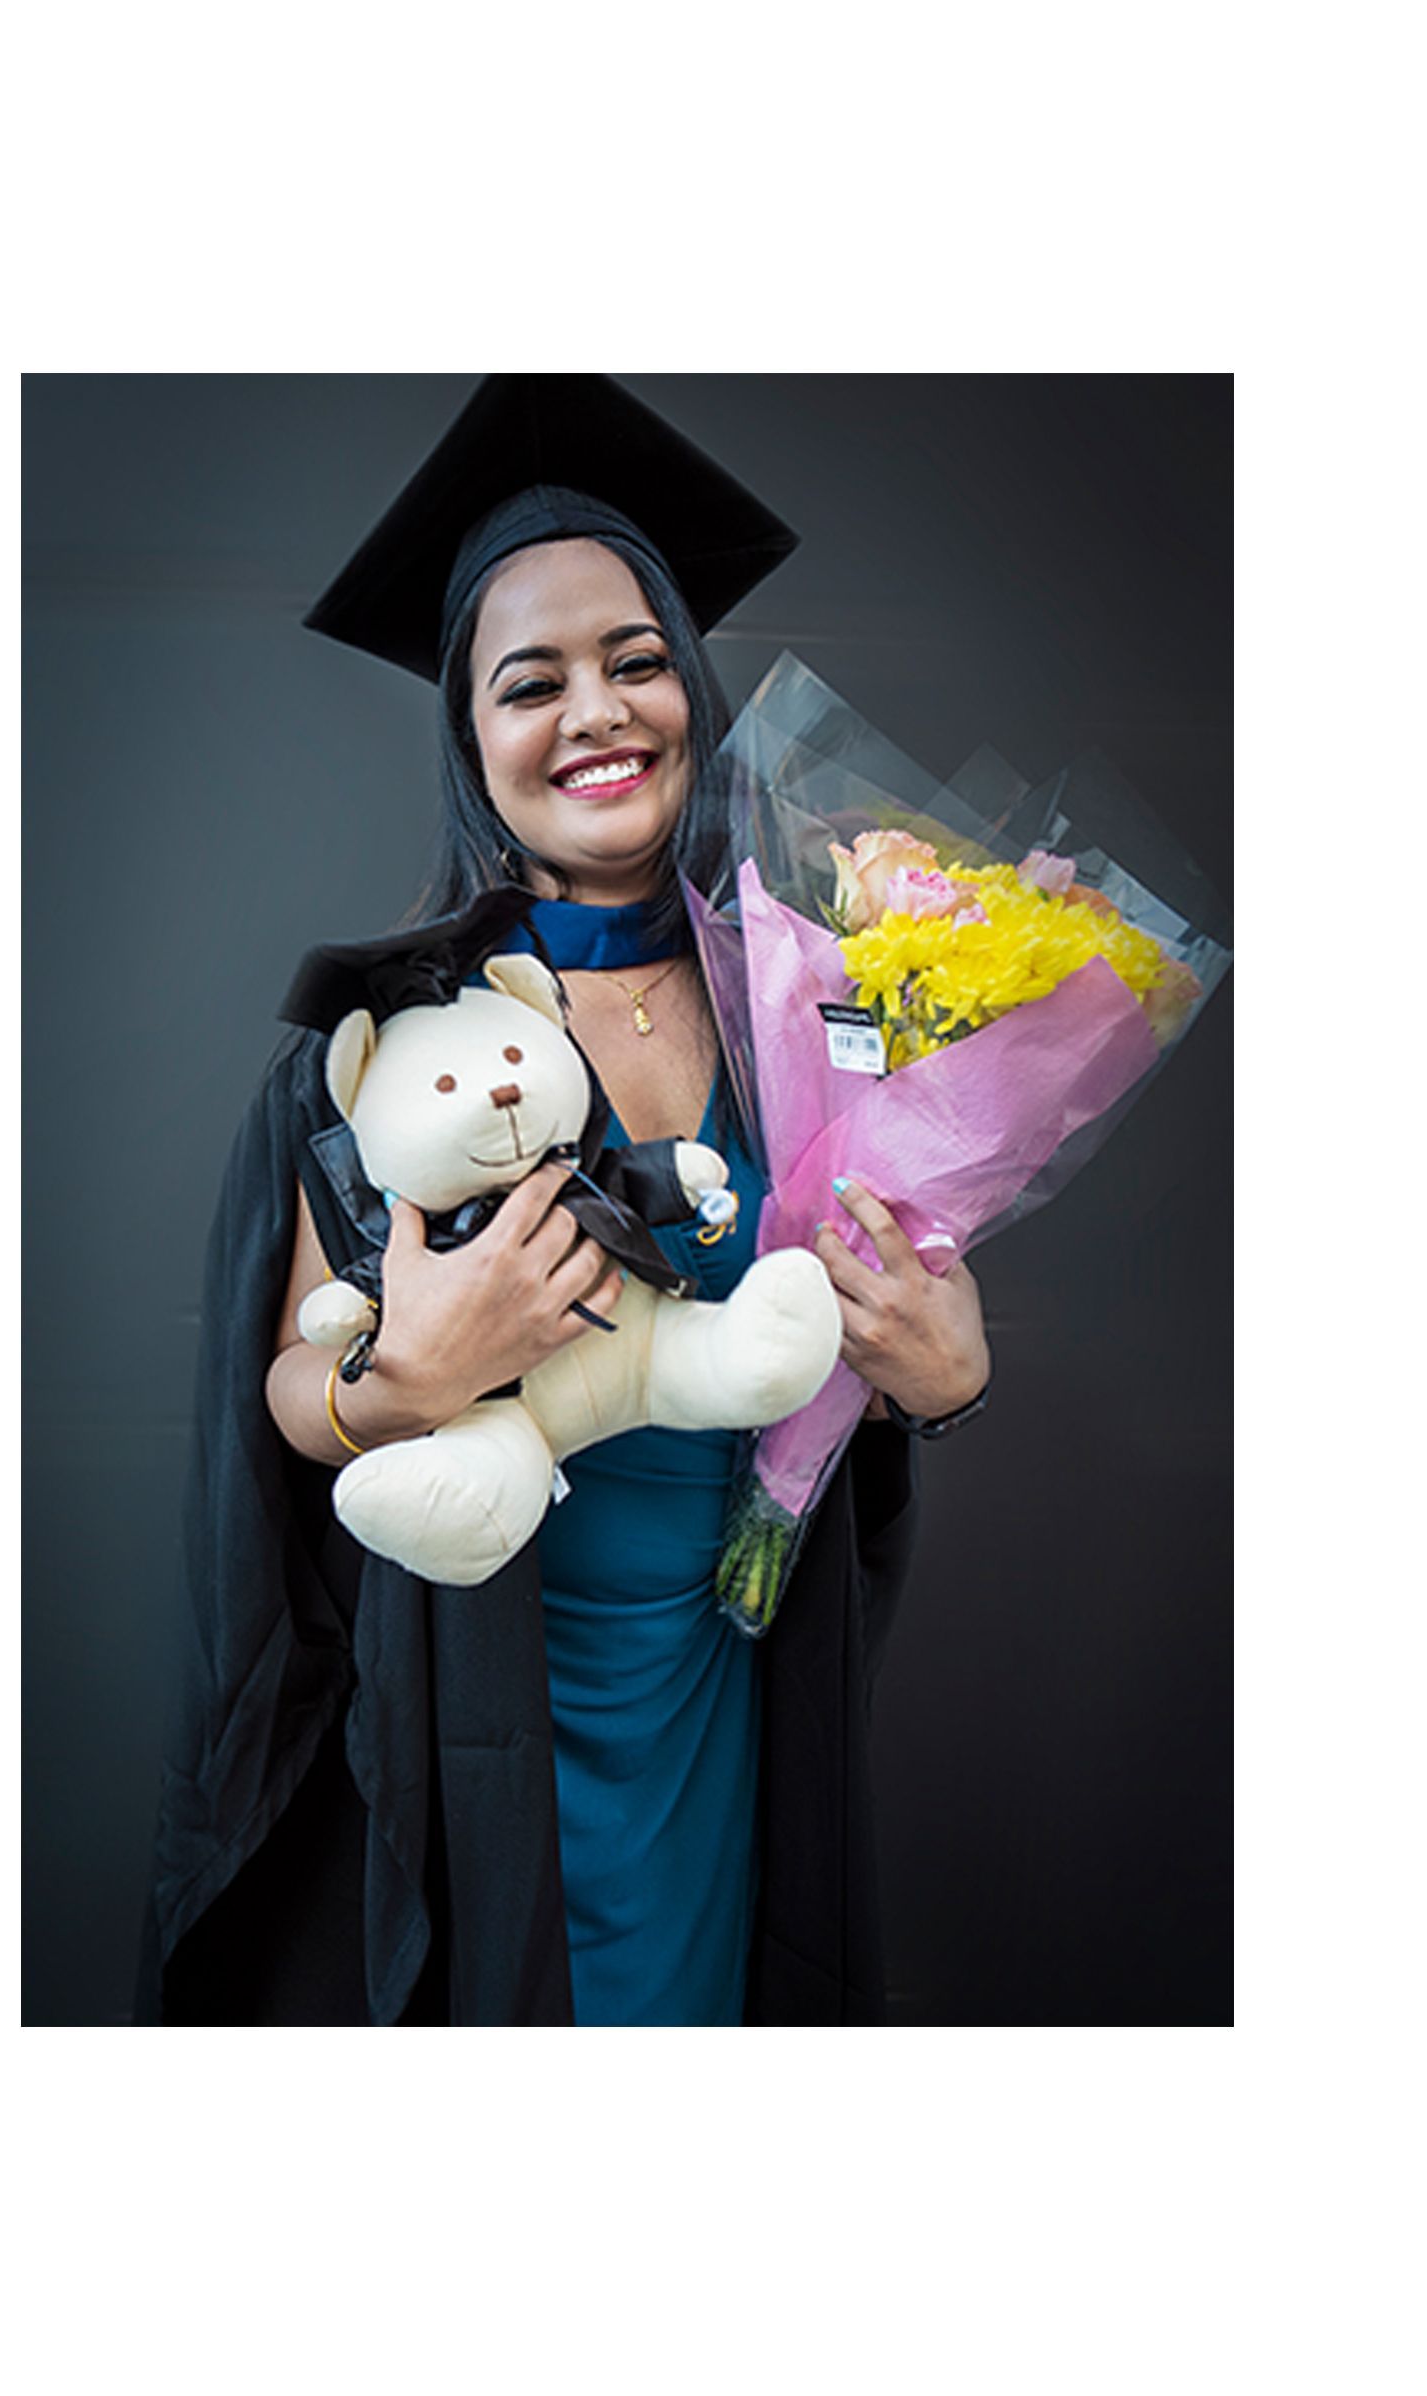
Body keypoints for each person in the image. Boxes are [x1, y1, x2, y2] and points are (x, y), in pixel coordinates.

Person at [137, 375, 990, 2026]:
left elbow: (885, 1305)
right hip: (490, 1698)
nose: (596, 712)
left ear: (693, 686)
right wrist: (413, 1373)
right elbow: (293, 1412)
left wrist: (942, 1391)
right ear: (471, 735)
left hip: (731, 1679)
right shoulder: (398, 1038)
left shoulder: (810, 997)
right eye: (531, 684)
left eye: (639, 661)